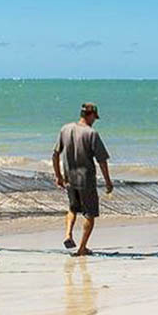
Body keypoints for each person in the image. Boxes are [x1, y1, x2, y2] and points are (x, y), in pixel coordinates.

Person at [52, 103, 113, 256]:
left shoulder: (65, 129)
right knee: (90, 214)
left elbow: (55, 154)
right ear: (90, 115)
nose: (95, 120)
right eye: (94, 117)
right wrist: (108, 181)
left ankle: (68, 234)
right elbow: (102, 161)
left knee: (73, 208)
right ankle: (82, 248)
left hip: (70, 177)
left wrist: (58, 176)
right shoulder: (91, 133)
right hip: (86, 178)